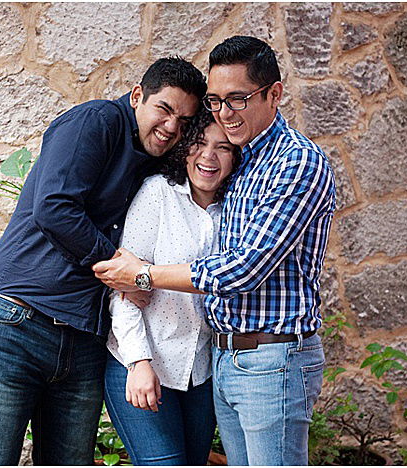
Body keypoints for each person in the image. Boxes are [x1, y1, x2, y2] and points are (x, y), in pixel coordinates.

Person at [93, 36, 336, 466]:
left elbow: (242, 269)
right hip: (225, 362)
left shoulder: (296, 162)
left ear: (274, 94)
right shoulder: (243, 168)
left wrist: (144, 274)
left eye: (238, 99)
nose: (226, 112)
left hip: (269, 360)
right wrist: (138, 358)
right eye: (216, 100)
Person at [0, 57, 206, 466]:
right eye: (164, 109)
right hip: (16, 324)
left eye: (184, 120)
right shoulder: (96, 121)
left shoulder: (156, 161)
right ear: (138, 96)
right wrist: (123, 270)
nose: (172, 127)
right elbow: (54, 207)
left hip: (83, 342)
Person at [104, 109, 241, 465]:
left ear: (235, 156)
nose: (208, 156)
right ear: (184, 150)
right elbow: (123, 282)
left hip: (201, 372)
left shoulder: (236, 210)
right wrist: (138, 362)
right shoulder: (158, 194)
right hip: (143, 362)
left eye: (223, 148)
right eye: (198, 143)